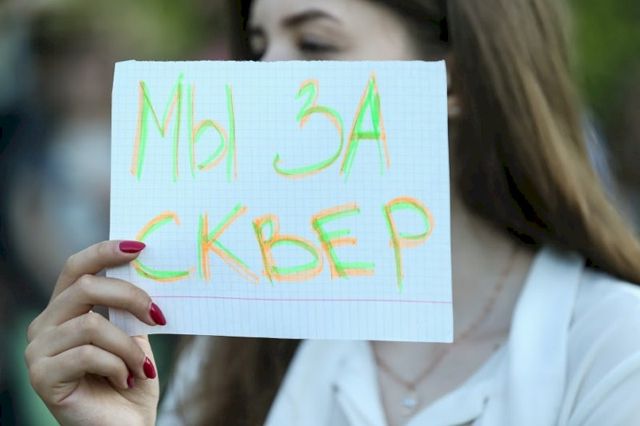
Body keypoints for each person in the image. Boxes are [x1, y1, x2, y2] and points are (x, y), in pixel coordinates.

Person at [24, 0, 640, 425]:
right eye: (258, 47)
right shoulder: (234, 348)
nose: (263, 78)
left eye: (314, 43)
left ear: (450, 82)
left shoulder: (611, 343)